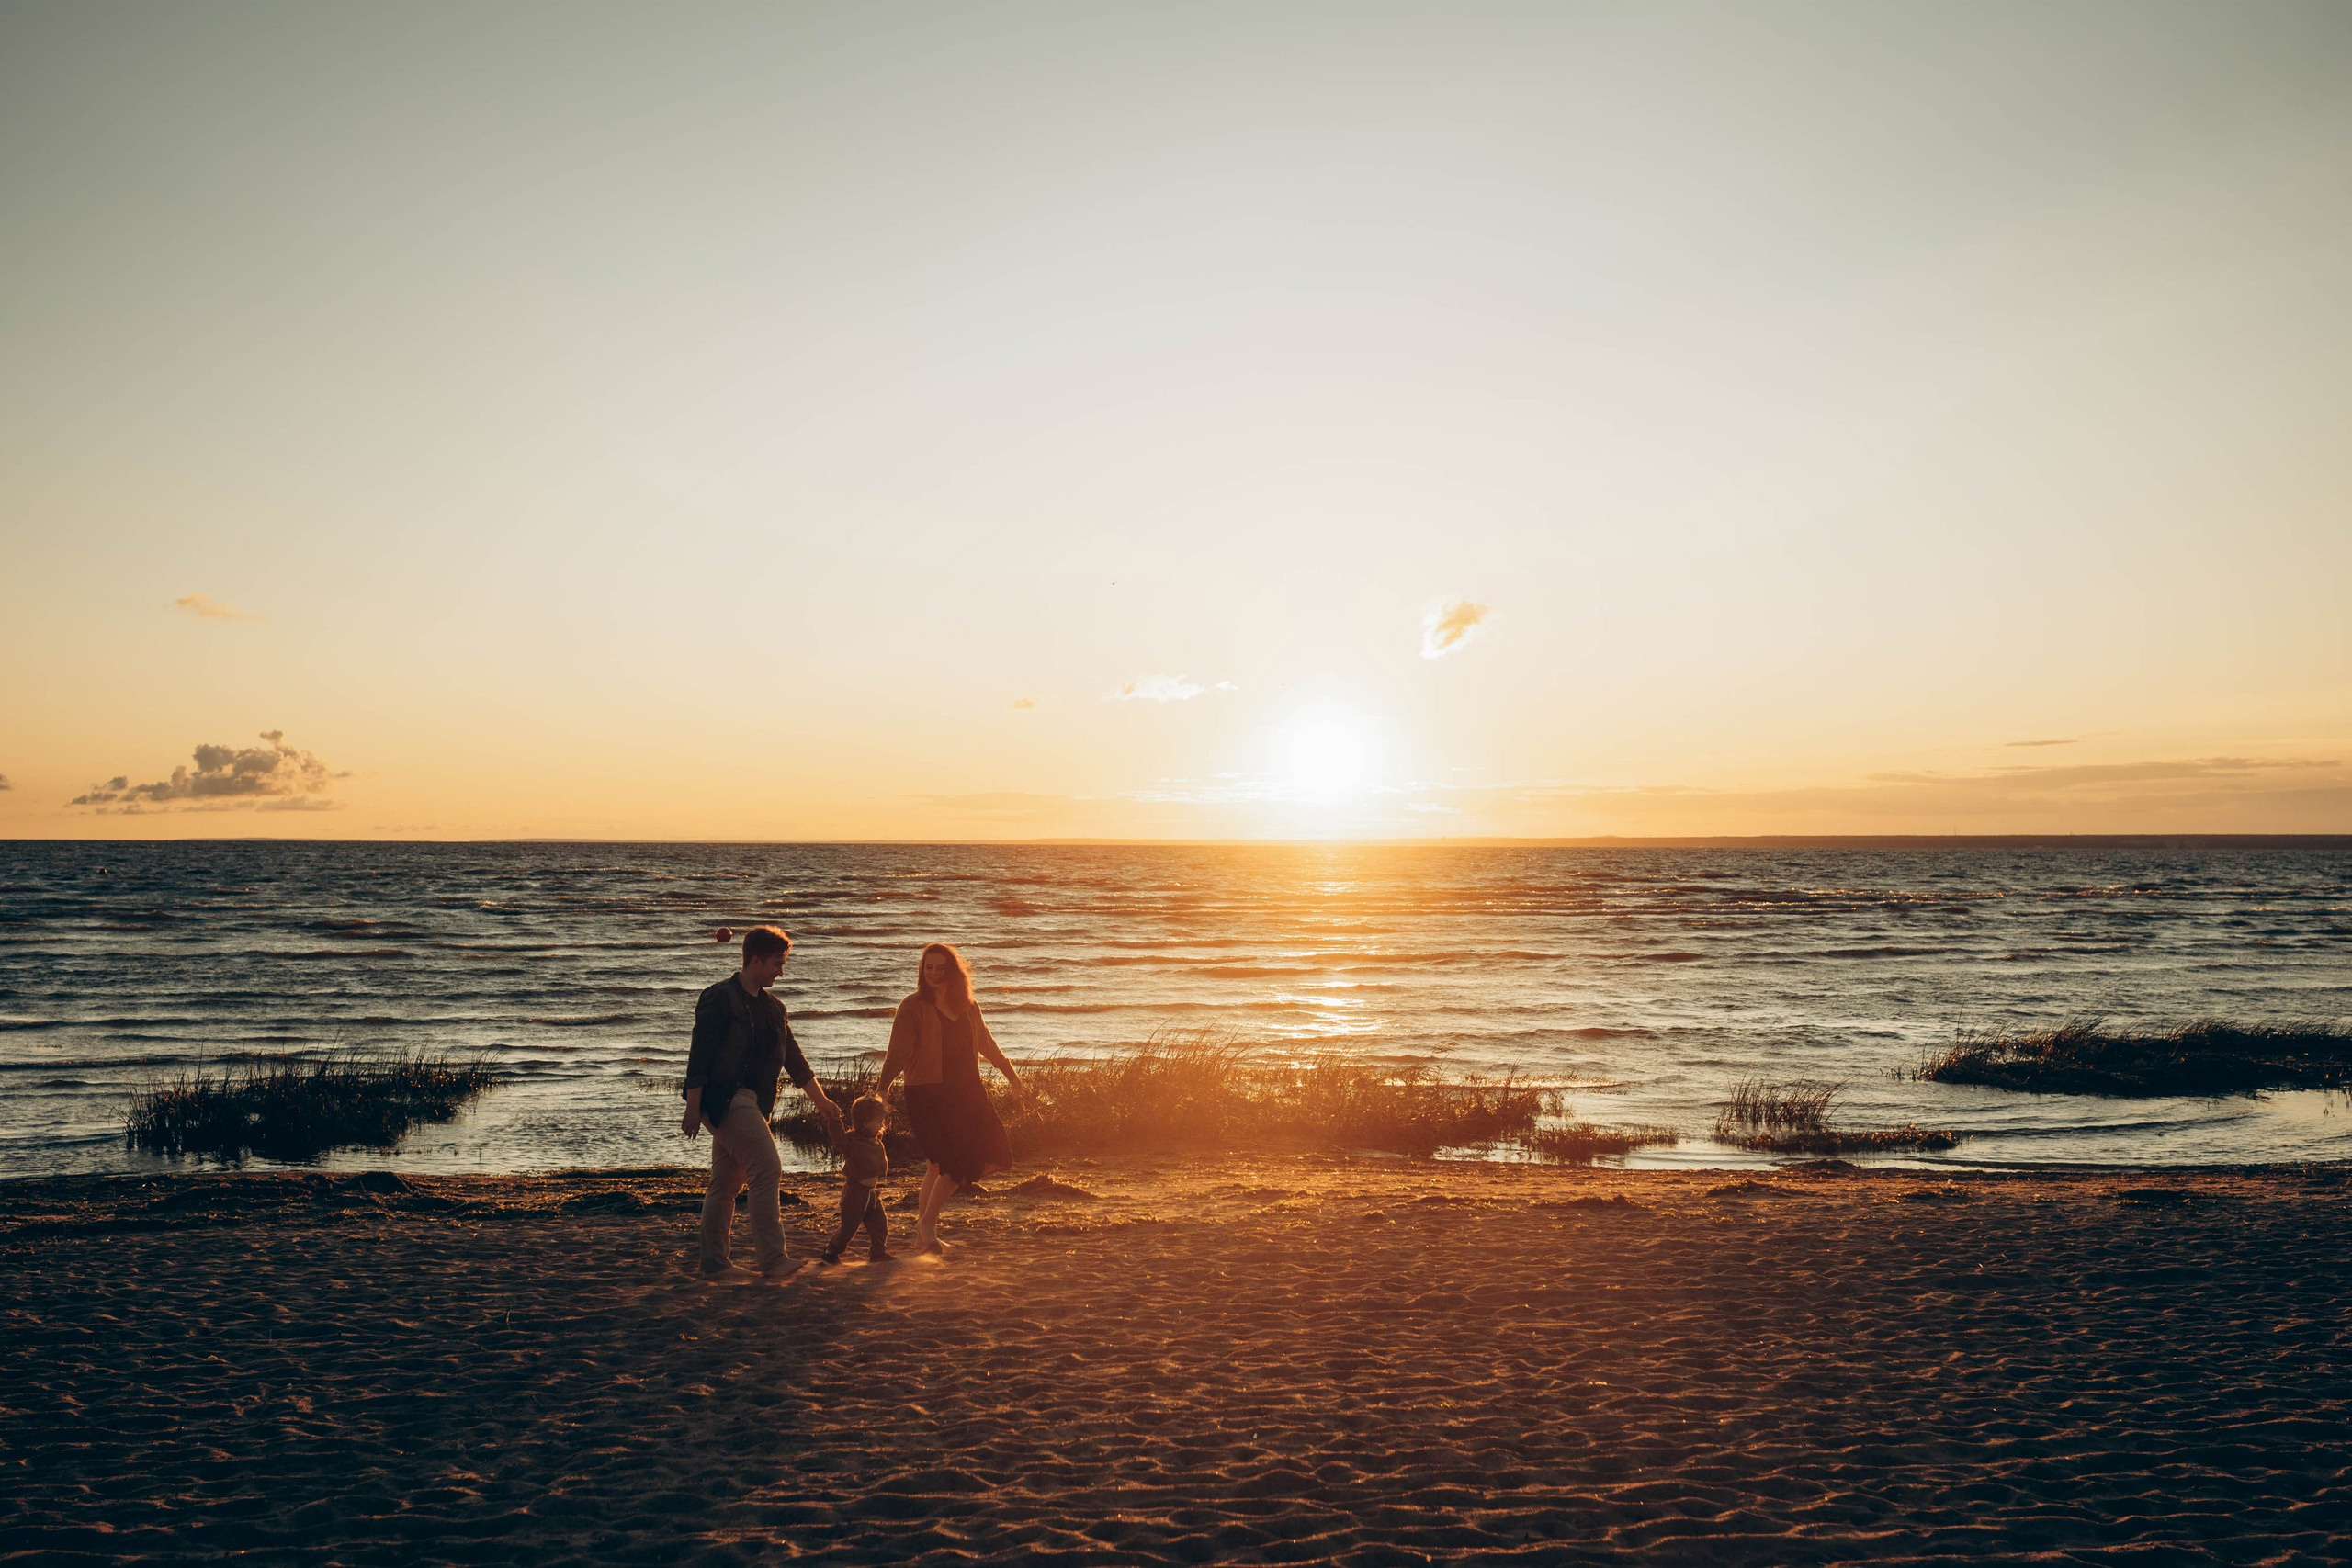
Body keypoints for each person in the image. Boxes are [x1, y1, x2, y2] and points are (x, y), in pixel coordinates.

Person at [682, 925, 841, 1279]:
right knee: (767, 1169)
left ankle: (714, 1265)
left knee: (725, 1183)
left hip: (754, 1104)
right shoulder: (719, 998)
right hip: (724, 1098)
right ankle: (772, 1260)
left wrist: (824, 1103)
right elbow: (700, 1055)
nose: (780, 971)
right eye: (776, 963)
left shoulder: (774, 1008)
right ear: (755, 959)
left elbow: (795, 1063)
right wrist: (693, 1107)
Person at [874, 942, 1023, 1255]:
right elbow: (898, 1051)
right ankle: (927, 1224)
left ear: (953, 971)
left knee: (993, 1155)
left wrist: (1012, 1076)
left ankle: (922, 1237)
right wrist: (882, 1087)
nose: (934, 973)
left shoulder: (968, 1006)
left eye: (941, 968)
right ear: (922, 970)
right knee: (949, 1163)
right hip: (928, 1093)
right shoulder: (912, 1006)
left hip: (969, 1092)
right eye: (929, 967)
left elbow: (987, 1044)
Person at [820, 1095, 892, 1265]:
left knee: (880, 1225)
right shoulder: (852, 1141)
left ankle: (878, 1254)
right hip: (855, 1193)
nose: (882, 1124)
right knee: (849, 1228)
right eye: (879, 1121)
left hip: (872, 1194)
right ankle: (831, 1251)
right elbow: (838, 1138)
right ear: (866, 1123)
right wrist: (834, 1120)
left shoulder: (875, 1139)